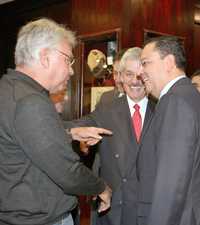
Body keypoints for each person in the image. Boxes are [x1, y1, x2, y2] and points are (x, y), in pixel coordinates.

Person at [0, 18, 113, 225]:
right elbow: (68, 173)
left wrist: (71, 131)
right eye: (68, 60)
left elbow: (26, 134)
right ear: (45, 57)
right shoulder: (31, 101)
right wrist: (101, 188)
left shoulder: (9, 90)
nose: (71, 70)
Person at [66, 47, 155, 225]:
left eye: (140, 75)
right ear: (120, 77)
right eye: (129, 74)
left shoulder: (163, 109)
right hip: (114, 211)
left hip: (152, 210)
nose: (135, 81)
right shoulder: (107, 110)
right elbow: (80, 124)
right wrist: (64, 130)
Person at [140, 36, 200, 225]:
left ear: (168, 63)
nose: (141, 72)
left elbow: (171, 182)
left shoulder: (175, 101)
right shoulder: (189, 95)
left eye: (145, 63)